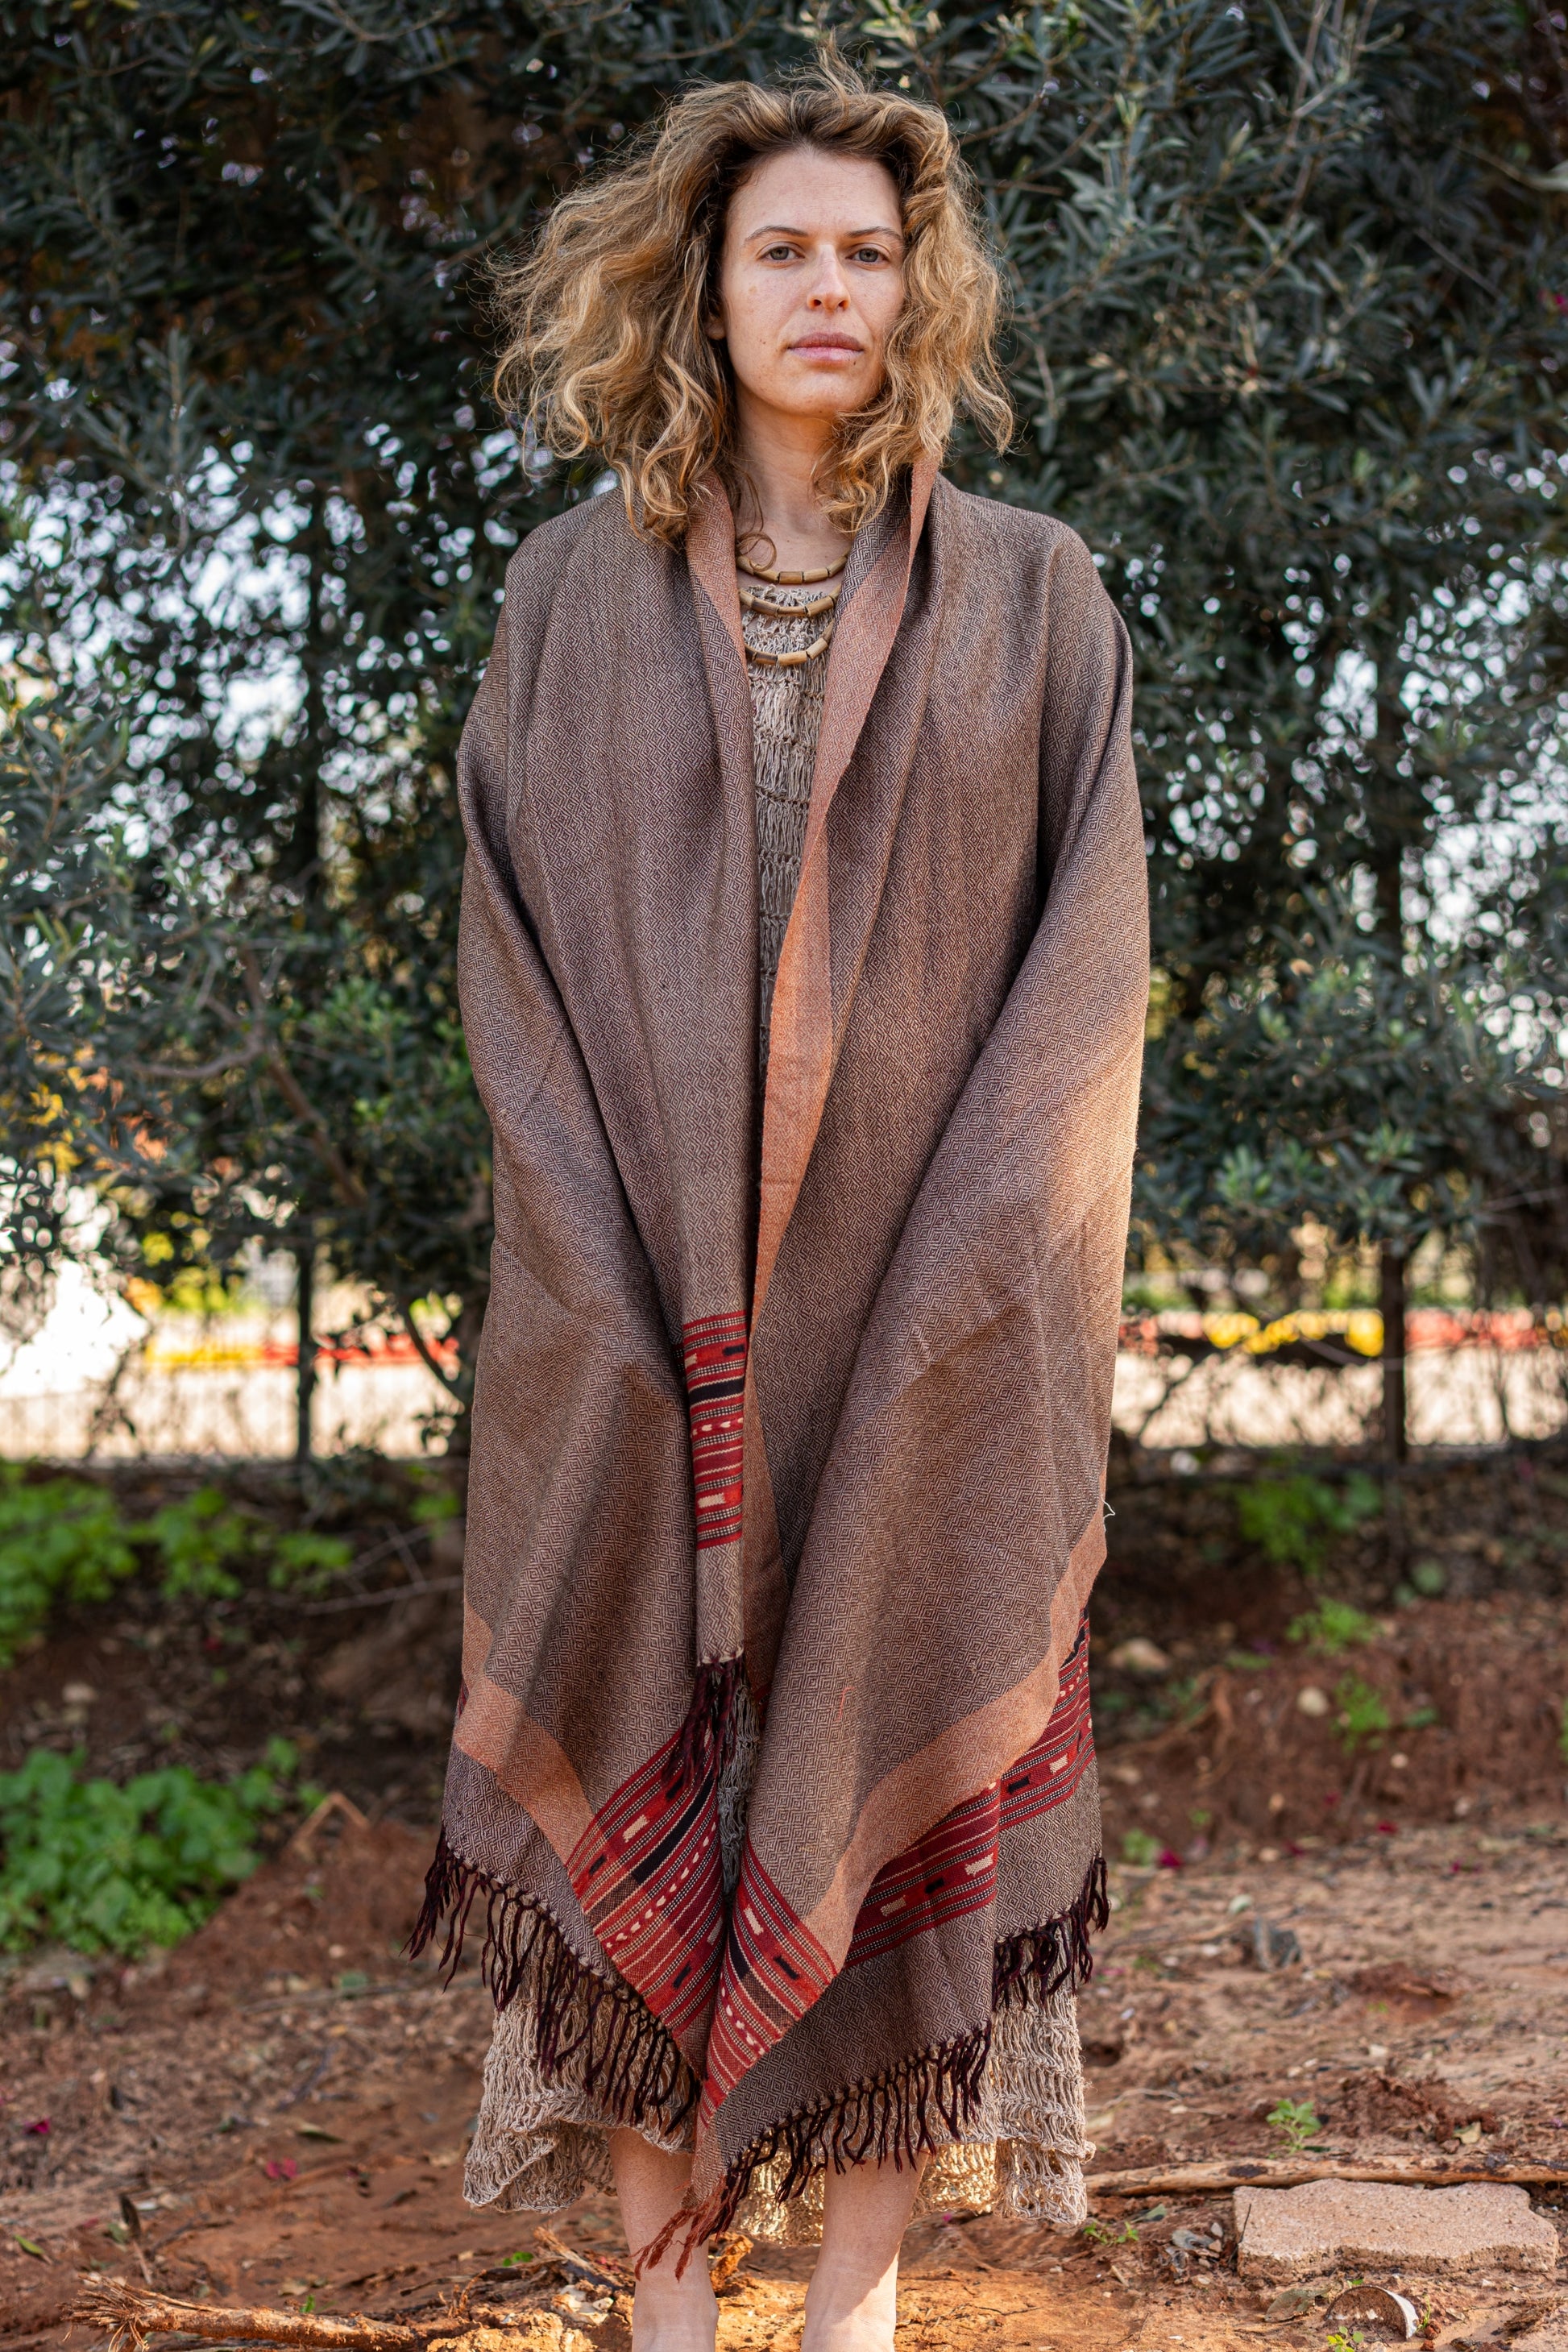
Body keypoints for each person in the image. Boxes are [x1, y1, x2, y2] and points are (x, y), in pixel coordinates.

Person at [411, 55, 1148, 2352]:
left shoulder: (1034, 598)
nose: (830, 287)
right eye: (782, 251)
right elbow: (514, 960)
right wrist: (599, 1296)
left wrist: (962, 1296)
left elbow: (1084, 974)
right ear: (703, 294)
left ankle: (851, 2306)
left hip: (933, 1307)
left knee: (880, 1725)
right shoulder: (567, 597)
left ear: (918, 290)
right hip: (640, 1303)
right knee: (665, 1731)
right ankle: (664, 2314)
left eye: (867, 250)